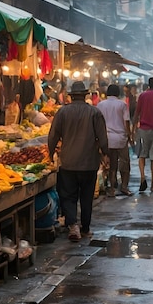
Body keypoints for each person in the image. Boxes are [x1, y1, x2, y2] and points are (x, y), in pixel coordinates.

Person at [48, 81, 109, 242]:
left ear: (71, 96)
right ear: (85, 95)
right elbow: (103, 139)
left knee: (68, 195)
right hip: (89, 162)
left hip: (68, 161)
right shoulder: (94, 113)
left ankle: (72, 225)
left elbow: (53, 135)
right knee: (86, 196)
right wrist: (105, 155)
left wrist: (50, 153)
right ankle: (86, 227)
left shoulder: (62, 113)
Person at [97, 84, 133, 197]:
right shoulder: (122, 104)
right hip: (120, 138)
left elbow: (98, 123)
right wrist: (129, 135)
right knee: (124, 163)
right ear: (118, 93)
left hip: (107, 138)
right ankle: (124, 187)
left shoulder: (100, 105)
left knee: (112, 165)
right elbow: (126, 121)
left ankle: (112, 189)